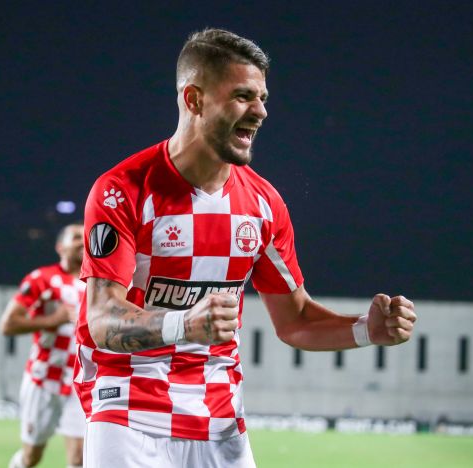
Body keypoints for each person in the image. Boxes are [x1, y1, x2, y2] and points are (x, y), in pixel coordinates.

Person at [75, 28, 416, 468]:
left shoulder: (263, 205)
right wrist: (185, 324)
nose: (261, 112)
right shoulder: (123, 189)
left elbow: (295, 321)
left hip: (219, 417)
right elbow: (102, 319)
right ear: (194, 100)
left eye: (262, 98)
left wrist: (366, 330)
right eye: (242, 96)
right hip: (127, 407)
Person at [0, 223, 86, 468]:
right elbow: (7, 325)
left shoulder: (98, 283)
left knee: (80, 458)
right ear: (60, 247)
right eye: (76, 237)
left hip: (80, 381)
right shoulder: (43, 278)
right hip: (45, 379)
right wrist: (53, 320)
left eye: (86, 236)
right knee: (31, 457)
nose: (83, 241)